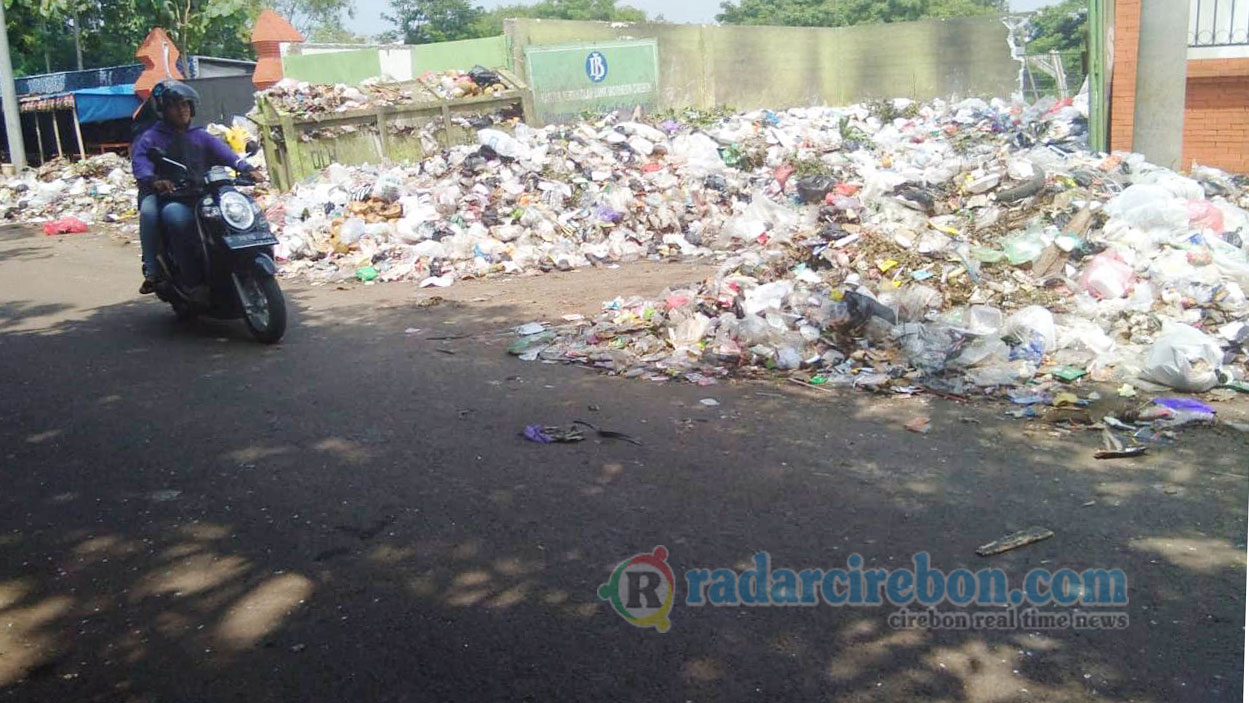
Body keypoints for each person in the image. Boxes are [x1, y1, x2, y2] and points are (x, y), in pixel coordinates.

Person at [131, 80, 264, 295]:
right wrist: (154, 179)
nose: (182, 110)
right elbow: (141, 164)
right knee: (161, 215)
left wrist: (246, 168)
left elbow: (226, 154)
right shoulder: (151, 138)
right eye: (175, 106)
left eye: (185, 104)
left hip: (200, 192)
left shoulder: (199, 135)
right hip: (169, 196)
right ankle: (156, 271)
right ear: (164, 110)